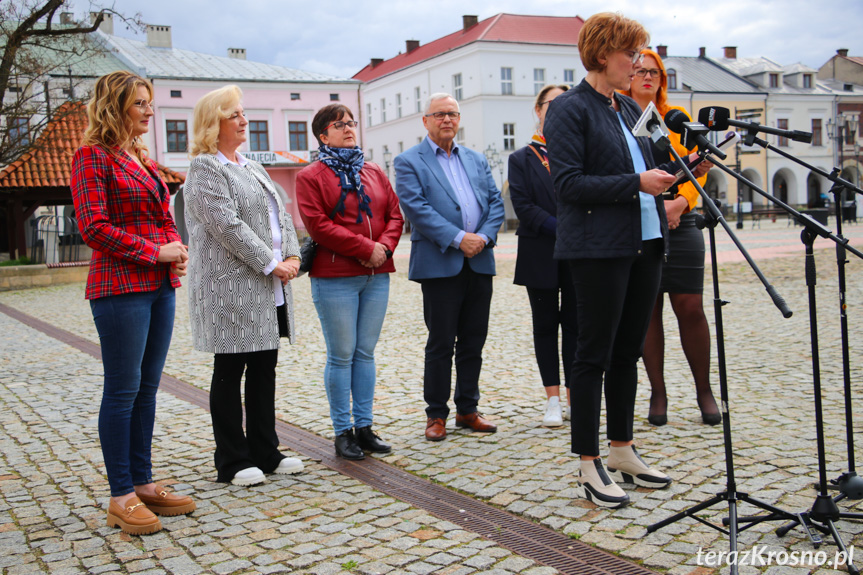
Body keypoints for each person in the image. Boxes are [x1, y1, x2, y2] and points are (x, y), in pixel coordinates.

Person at [543, 13, 711, 508]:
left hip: (647, 242)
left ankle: (621, 449)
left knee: (627, 352)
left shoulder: (625, 109)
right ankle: (587, 460)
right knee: (593, 354)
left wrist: (689, 166)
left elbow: (650, 166)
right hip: (598, 248)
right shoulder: (570, 110)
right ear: (602, 55)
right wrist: (638, 184)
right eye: (630, 54)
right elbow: (568, 186)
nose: (638, 63)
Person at [70, 71, 196, 535]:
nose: (149, 110)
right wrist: (154, 252)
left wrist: (174, 250)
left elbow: (162, 215)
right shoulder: (91, 157)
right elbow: (94, 227)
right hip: (118, 287)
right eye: (140, 103)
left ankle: (143, 482)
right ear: (114, 106)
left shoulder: (140, 157)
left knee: (147, 388)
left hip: (159, 286)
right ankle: (120, 494)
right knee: (122, 391)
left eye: (150, 102)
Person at [184, 85, 304, 486]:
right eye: (234, 114)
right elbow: (226, 226)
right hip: (230, 287)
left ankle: (266, 450)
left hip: (268, 284)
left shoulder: (252, 165)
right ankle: (232, 459)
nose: (244, 119)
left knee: (264, 367)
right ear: (213, 122)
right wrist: (271, 263)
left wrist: (292, 256)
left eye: (243, 112)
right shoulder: (205, 169)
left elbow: (281, 216)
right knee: (230, 368)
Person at [395, 93, 505, 442]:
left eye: (453, 114)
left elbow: (495, 203)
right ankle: (436, 414)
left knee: (474, 340)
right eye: (440, 114)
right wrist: (460, 238)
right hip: (441, 264)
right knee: (441, 342)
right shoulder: (408, 161)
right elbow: (417, 209)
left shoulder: (475, 159)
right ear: (425, 120)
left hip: (479, 260)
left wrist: (484, 238)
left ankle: (467, 409)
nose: (447, 120)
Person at [295, 104, 404, 460]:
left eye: (351, 122)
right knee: (341, 356)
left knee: (365, 353)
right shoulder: (310, 176)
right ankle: (343, 432)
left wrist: (382, 249)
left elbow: (394, 215)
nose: (348, 129)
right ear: (323, 136)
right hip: (336, 277)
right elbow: (318, 224)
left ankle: (365, 427)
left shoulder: (373, 170)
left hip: (376, 275)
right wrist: (363, 247)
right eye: (338, 125)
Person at [623, 49, 721, 427]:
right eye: (641, 71)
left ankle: (704, 390)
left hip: (683, 217)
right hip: (641, 217)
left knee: (691, 307)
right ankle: (658, 391)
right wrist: (655, 207)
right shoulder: (620, 117)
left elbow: (699, 168)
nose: (648, 77)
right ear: (629, 76)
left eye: (655, 72)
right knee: (648, 312)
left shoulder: (674, 118)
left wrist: (680, 204)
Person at [509, 84, 576, 428]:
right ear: (538, 109)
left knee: (577, 326)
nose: (559, 108)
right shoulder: (521, 158)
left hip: (579, 252)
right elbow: (524, 207)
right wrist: (563, 228)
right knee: (546, 325)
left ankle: (573, 396)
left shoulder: (578, 151)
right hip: (540, 250)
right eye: (553, 103)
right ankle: (552, 398)